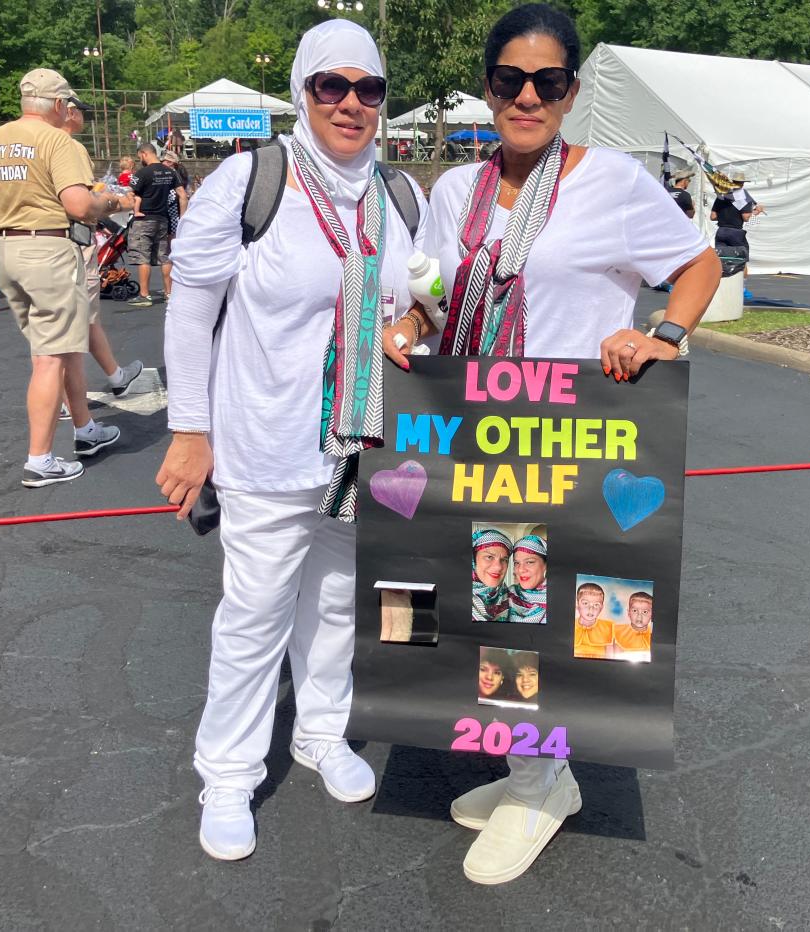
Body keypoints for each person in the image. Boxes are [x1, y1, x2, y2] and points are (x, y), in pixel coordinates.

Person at [385, 3, 718, 886]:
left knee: (532, 606)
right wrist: (406, 323)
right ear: (488, 86)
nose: (527, 95)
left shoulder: (608, 182)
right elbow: (430, 291)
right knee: (478, 598)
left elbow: (698, 264)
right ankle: (540, 772)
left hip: (566, 436)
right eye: (509, 80)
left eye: (549, 81)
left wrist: (665, 335)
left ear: (570, 91)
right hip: (467, 426)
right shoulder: (455, 191)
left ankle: (538, 784)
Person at [155, 20, 425, 863]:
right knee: (257, 612)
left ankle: (320, 731)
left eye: (368, 89)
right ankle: (228, 771)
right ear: (305, 92)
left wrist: (411, 320)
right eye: (329, 87)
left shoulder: (399, 196)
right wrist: (189, 432)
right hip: (267, 445)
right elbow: (190, 313)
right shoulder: (252, 181)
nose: (350, 104)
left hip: (364, 449)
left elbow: (418, 300)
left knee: (341, 602)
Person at [0, 68, 128, 488]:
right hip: (49, 250)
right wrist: (109, 201)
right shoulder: (59, 141)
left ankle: (86, 429)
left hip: (8, 251)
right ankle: (39, 459)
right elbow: (78, 204)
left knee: (58, 345)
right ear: (59, 104)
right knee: (50, 357)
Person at [61, 97, 146, 399]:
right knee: (70, 326)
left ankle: (115, 375)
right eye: (80, 111)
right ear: (66, 110)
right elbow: (83, 205)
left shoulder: (28, 143)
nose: (83, 116)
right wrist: (114, 201)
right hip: (70, 242)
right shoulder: (66, 146)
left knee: (79, 320)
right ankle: (67, 401)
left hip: (34, 246)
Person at [126, 143, 185, 307]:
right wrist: (183, 218)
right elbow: (182, 195)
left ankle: (144, 295)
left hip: (144, 219)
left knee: (142, 256)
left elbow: (131, 193)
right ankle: (169, 293)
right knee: (165, 256)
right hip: (163, 218)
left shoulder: (142, 173)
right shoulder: (170, 172)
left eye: (140, 156)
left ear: (144, 154)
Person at [472, 527, 512, 622]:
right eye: (489, 557)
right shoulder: (454, 596)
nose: (498, 567)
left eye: (504, 560)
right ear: (473, 560)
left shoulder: (514, 600)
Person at [506, 533, 547, 624]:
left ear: (545, 565)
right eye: (517, 563)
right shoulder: (507, 594)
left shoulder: (560, 598)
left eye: (529, 562)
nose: (521, 569)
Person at [572, 581, 613, 659]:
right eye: (585, 603)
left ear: (601, 608)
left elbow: (610, 657)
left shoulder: (608, 627)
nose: (591, 609)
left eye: (596, 605)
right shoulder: (570, 625)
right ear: (577, 604)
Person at [613, 591, 653, 656]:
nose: (639, 616)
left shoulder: (653, 636)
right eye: (635, 611)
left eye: (645, 612)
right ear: (628, 613)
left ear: (652, 615)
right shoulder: (615, 631)